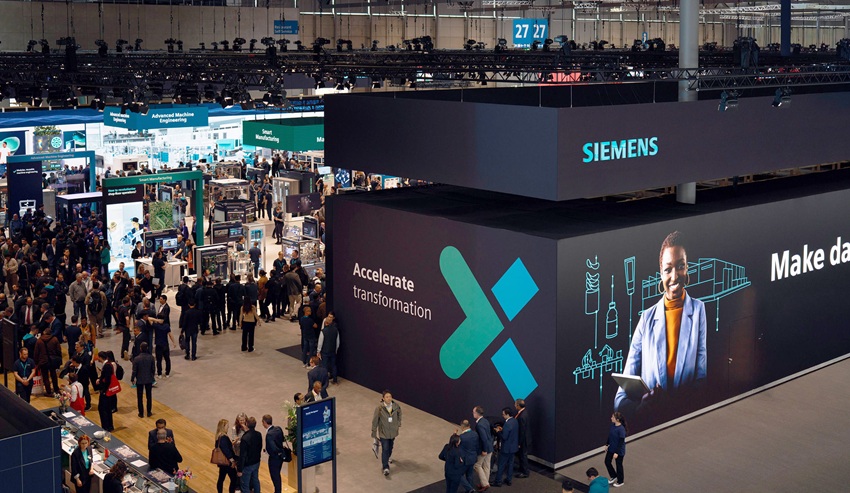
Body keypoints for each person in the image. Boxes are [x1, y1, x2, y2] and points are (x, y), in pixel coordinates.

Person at [615, 231, 707, 415]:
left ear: (687, 268)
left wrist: (676, 406)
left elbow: (701, 381)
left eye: (680, 266)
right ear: (660, 274)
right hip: (652, 421)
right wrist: (640, 408)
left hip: (684, 418)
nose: (674, 276)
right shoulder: (646, 319)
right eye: (668, 269)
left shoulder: (698, 310)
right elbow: (620, 399)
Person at [371, 390, 402, 476]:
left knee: (390, 447)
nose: (389, 398)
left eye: (390, 396)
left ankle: (387, 457)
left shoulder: (396, 406)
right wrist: (374, 432)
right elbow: (375, 421)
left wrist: (398, 423)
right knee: (385, 448)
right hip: (383, 433)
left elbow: (399, 414)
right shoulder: (379, 408)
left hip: (393, 432)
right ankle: (385, 467)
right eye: (387, 397)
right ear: (383, 398)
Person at [493, 407, 518, 487]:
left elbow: (504, 437)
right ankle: (509, 480)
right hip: (513, 447)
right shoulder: (515, 421)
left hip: (506, 448)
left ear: (507, 414)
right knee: (510, 464)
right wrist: (503, 430)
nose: (502, 416)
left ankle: (498, 481)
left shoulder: (507, 424)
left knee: (501, 464)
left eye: (503, 414)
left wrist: (498, 431)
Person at [237, 416, 262, 493]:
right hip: (256, 462)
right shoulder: (259, 434)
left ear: (247, 424)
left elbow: (243, 455)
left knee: (245, 485)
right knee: (255, 480)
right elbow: (260, 447)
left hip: (247, 465)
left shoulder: (245, 438)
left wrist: (240, 469)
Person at [263, 415, 287, 493]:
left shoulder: (269, 434)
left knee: (275, 476)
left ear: (264, 422)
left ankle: (278, 491)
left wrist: (269, 451)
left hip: (274, 459)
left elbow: (273, 448)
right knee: (277, 474)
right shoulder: (278, 429)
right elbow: (282, 439)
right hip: (281, 457)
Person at [472, 406, 494, 491]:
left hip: (484, 449)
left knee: (477, 465)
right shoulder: (485, 421)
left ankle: (485, 484)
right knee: (486, 466)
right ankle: (484, 483)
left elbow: (483, 438)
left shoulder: (479, 425)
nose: (473, 414)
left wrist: (484, 450)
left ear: (477, 413)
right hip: (490, 447)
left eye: (473, 412)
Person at [132, 342, 156, 418]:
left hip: (139, 380)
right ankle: (149, 412)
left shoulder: (136, 359)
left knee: (139, 397)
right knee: (149, 396)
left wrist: (132, 378)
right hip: (149, 379)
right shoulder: (151, 357)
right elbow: (153, 369)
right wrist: (152, 376)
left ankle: (141, 413)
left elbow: (134, 370)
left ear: (140, 348)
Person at [95, 351, 118, 431]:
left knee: (103, 409)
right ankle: (109, 426)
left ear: (101, 357)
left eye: (98, 357)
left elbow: (107, 380)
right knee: (107, 409)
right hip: (107, 391)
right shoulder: (108, 364)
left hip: (106, 391)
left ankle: (106, 426)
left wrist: (103, 390)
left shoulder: (107, 366)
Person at [215, 419, 239, 493]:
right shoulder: (223, 437)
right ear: (223, 426)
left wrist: (233, 442)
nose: (228, 427)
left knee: (221, 478)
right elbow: (226, 450)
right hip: (227, 463)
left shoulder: (218, 436)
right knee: (234, 479)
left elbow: (224, 447)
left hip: (222, 462)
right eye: (227, 426)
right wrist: (232, 461)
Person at [604, 412, 627, 488]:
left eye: (613, 417)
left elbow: (621, 441)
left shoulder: (621, 429)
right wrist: (607, 444)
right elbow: (610, 436)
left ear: (617, 419)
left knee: (618, 465)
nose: (611, 418)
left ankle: (620, 481)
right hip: (611, 448)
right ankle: (613, 476)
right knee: (607, 461)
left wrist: (617, 452)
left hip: (619, 451)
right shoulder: (612, 425)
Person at [457, 420, 479, 493]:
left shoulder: (461, 437)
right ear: (469, 425)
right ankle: (470, 490)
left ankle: (470, 489)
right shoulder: (475, 434)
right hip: (473, 458)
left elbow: (456, 447)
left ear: (462, 427)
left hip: (465, 459)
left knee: (458, 474)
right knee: (469, 475)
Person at [318, 313, 339, 384]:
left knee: (325, 366)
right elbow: (338, 342)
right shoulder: (336, 330)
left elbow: (320, 342)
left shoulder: (323, 331)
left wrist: (318, 351)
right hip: (333, 351)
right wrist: (336, 350)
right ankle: (335, 380)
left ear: (325, 323)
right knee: (333, 365)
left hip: (325, 351)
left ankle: (325, 381)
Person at [514, 398, 531, 478]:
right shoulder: (524, 413)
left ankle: (525, 472)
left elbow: (522, 431)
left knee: (523, 455)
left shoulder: (522, 416)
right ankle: (522, 469)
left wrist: (519, 443)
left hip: (523, 440)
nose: (514, 406)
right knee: (522, 455)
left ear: (518, 405)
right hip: (525, 438)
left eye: (515, 404)